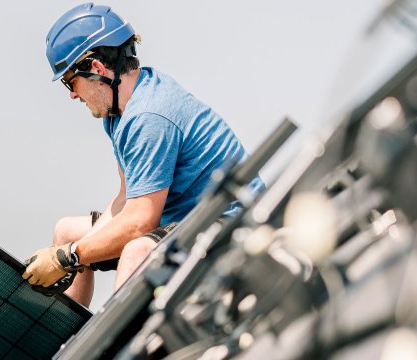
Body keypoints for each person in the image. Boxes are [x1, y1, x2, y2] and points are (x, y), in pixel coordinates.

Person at [23, 3, 257, 306]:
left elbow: (140, 224)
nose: (71, 94)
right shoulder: (119, 110)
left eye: (70, 81)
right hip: (179, 217)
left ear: (95, 69)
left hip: (228, 224)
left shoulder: (149, 116)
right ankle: (64, 336)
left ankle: (109, 348)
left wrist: (69, 258)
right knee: (67, 231)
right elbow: (126, 199)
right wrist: (70, 251)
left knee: (136, 252)